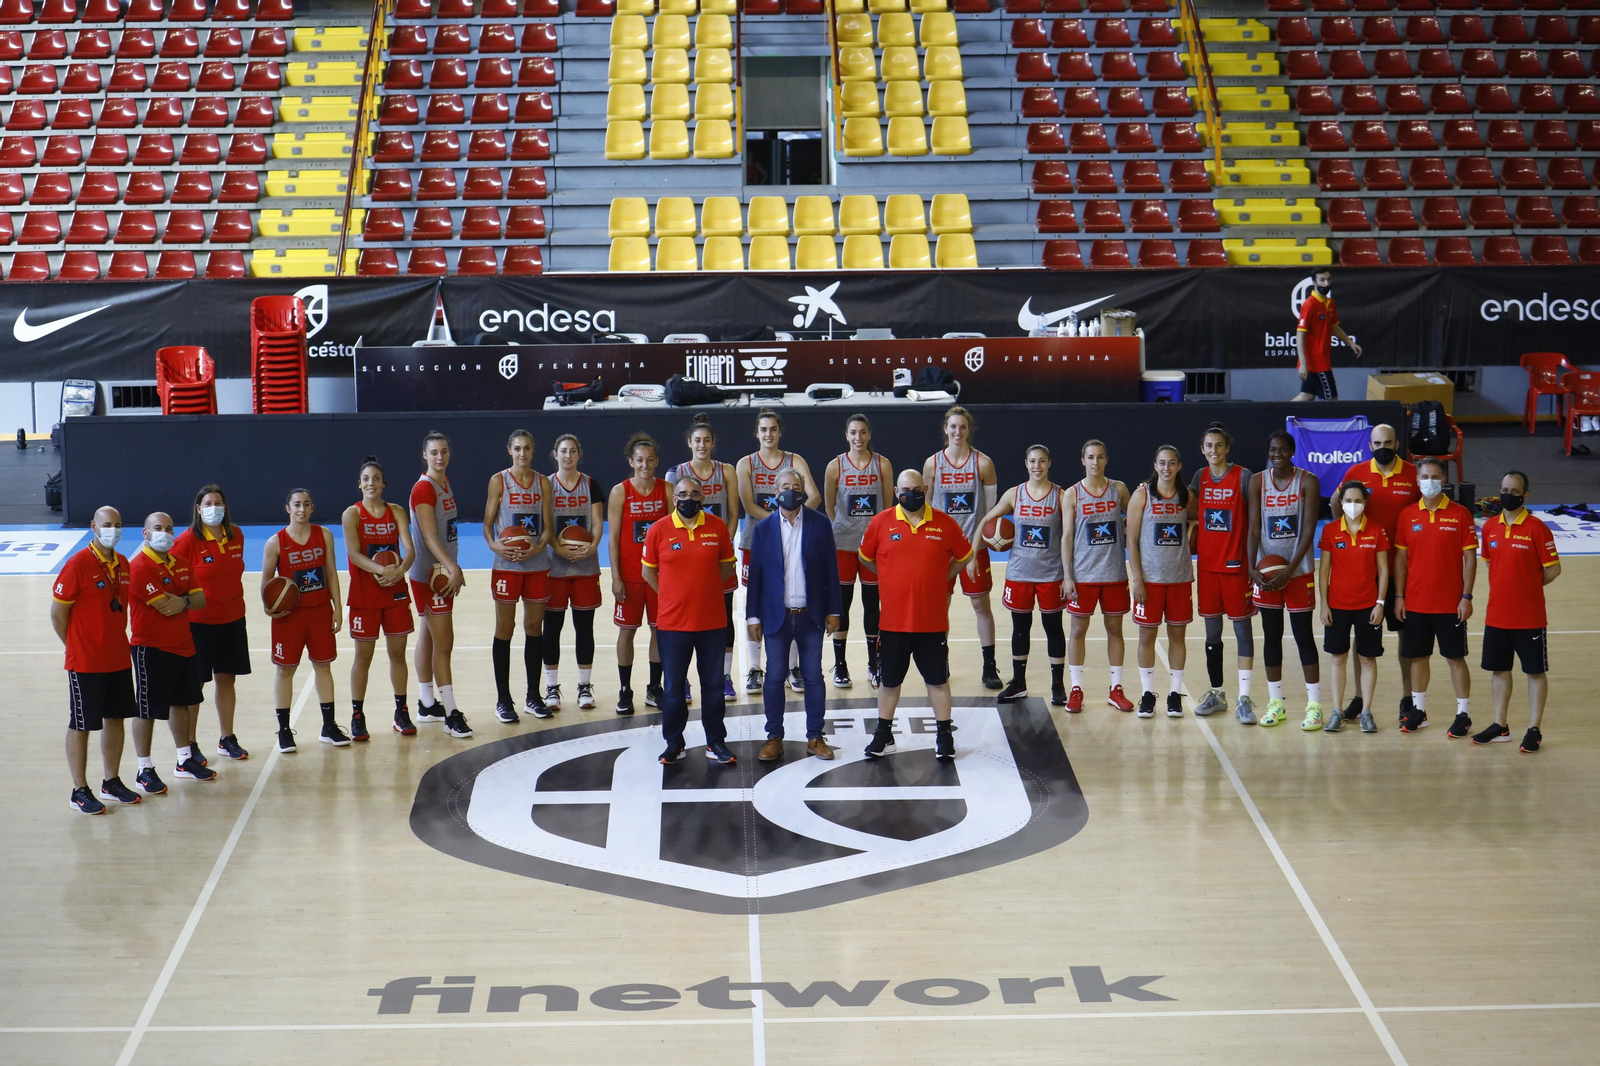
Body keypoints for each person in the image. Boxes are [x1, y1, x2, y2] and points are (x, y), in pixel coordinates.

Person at [859, 470, 973, 762]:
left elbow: (964, 556)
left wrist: (939, 579)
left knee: (937, 680)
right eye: (906, 489)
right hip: (894, 622)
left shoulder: (944, 523)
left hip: (932, 621)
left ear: (926, 490)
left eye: (918, 489)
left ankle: (944, 735)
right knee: (889, 682)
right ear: (897, 492)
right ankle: (884, 734)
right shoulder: (880, 522)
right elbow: (865, 558)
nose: (912, 494)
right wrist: (889, 577)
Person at [640, 474, 738, 765]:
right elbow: (648, 573)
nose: (689, 499)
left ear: (703, 498)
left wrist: (704, 589)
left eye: (695, 494)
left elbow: (725, 568)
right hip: (672, 625)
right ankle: (674, 743)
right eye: (683, 493)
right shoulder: (658, 530)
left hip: (712, 623)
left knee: (713, 686)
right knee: (673, 688)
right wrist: (672, 595)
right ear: (674, 498)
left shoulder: (717, 527)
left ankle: (715, 742)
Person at [748, 469, 842, 762]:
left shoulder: (820, 524)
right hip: (776, 615)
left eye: (796, 486)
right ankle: (774, 737)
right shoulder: (762, 529)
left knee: (813, 676)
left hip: (811, 614)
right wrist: (753, 617)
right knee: (774, 677)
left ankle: (815, 737)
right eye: (785, 486)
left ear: (803, 492)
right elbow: (757, 577)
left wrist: (834, 610)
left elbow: (831, 571)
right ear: (775, 494)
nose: (791, 490)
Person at [52, 506, 138, 813]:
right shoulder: (78, 564)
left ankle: (111, 781)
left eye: (117, 524)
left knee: (115, 719)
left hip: (117, 657)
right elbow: (58, 613)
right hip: (86, 661)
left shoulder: (124, 564)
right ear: (93, 526)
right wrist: (75, 644)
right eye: (106, 524)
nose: (112, 529)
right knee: (82, 724)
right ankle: (79, 789)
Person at [1473, 471, 1560, 752]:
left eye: (1514, 490)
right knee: (1499, 670)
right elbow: (1490, 563)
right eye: (1504, 489)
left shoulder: (1537, 528)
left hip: (1529, 617)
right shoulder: (1490, 528)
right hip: (1497, 615)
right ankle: (1500, 725)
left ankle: (1534, 729)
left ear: (1526, 495)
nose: (1508, 494)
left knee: (1534, 672)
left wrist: (1529, 585)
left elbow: (1554, 568)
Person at [736, 409, 820, 694]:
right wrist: (778, 521)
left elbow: (815, 495)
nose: (768, 434)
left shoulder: (795, 460)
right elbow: (748, 506)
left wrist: (795, 519)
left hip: (791, 539)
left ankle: (792, 668)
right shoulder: (745, 463)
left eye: (773, 429)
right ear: (756, 433)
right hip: (757, 541)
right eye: (763, 430)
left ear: (779, 432)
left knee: (792, 598)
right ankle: (755, 667)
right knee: (757, 601)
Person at [1341, 423, 1420, 725]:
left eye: (1388, 441)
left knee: (1406, 637)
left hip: (1403, 571)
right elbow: (1339, 504)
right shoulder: (1356, 473)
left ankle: (1408, 698)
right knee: (1361, 642)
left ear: (1397, 443)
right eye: (1377, 443)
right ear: (1369, 445)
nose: (1382, 446)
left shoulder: (1413, 475)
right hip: (1365, 572)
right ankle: (1360, 699)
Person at [129, 511, 215, 787]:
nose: (164, 533)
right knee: (147, 710)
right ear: (146, 533)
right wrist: (184, 598)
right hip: (151, 648)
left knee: (182, 703)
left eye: (168, 528)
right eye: (158, 528)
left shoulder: (181, 562)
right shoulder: (140, 567)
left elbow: (200, 599)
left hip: (183, 645)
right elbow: (164, 606)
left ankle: (184, 759)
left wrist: (184, 601)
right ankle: (144, 768)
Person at [1392, 457, 1476, 737]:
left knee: (1455, 659)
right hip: (1415, 603)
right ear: (1417, 481)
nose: (1430, 481)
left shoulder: (1461, 514)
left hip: (1450, 604)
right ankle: (1419, 710)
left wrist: (1466, 596)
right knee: (1418, 658)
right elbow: (1401, 560)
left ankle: (1463, 713)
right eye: (1425, 476)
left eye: (1435, 477)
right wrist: (1399, 596)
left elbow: (1470, 558)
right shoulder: (1407, 515)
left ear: (1443, 480)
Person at [980, 445, 1069, 706]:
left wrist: (1068, 573)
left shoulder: (1061, 496)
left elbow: (1068, 536)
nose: (1037, 466)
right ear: (1026, 463)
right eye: (1032, 461)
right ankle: (1019, 682)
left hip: (1051, 574)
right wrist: (973, 552)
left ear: (1049, 463)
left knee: (1053, 627)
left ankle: (1057, 684)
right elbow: (987, 521)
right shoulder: (1014, 494)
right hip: (1019, 573)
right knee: (1021, 628)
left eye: (1042, 461)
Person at [923, 405, 1002, 691]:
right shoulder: (932, 464)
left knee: (981, 606)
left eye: (963, 427)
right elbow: (927, 507)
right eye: (953, 427)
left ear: (969, 430)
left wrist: (975, 545)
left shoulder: (983, 463)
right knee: (939, 608)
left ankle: (989, 665)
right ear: (945, 429)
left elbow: (989, 509)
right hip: (941, 550)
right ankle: (940, 661)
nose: (958, 432)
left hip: (973, 547)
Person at [1247, 432, 1323, 729]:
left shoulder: (1308, 481)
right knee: (1271, 636)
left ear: (1292, 451)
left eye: (1282, 449)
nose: (1277, 453)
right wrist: (1252, 566)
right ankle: (1276, 703)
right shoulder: (1257, 481)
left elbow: (1308, 531)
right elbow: (1254, 527)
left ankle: (1314, 705)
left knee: (1304, 637)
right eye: (1272, 449)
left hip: (1297, 572)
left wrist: (1290, 569)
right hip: (1266, 574)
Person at [664, 413, 741, 702]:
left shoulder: (727, 471)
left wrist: (723, 544)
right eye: (697, 440)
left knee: (724, 614)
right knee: (685, 616)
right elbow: (670, 516)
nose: (702, 445)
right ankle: (682, 679)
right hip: (686, 555)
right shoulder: (676, 473)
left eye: (707, 440)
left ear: (713, 443)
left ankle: (724, 676)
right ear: (689, 442)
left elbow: (734, 514)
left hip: (717, 553)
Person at [262, 489, 344, 751]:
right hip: (290, 617)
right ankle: (284, 730)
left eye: (306, 504)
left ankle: (328, 726)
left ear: (312, 508)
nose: (301, 509)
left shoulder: (325, 535)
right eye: (296, 504)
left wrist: (338, 607)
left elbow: (330, 571)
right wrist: (270, 608)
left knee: (323, 667)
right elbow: (266, 584)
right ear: (287, 508)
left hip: (319, 611)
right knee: (285, 670)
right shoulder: (275, 542)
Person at [173, 484, 250, 761]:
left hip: (232, 619)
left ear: (225, 507)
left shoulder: (236, 535)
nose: (213, 508)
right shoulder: (186, 542)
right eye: (208, 503)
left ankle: (226, 737)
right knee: (196, 686)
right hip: (199, 624)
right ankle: (190, 743)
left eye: (218, 502)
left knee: (227, 679)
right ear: (198, 509)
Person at [341, 456, 416, 739]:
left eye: (376, 478)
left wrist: (400, 571)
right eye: (366, 479)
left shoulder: (395, 511)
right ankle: (357, 714)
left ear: (383, 483)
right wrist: (382, 570)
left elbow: (409, 549)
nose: (371, 483)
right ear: (359, 484)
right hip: (365, 595)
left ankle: (401, 711)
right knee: (364, 657)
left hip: (395, 591)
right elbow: (354, 554)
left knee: (398, 654)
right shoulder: (352, 514)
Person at [484, 429, 555, 724]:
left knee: (533, 628)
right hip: (507, 566)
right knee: (505, 628)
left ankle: (533, 696)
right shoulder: (499, 481)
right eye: (517, 449)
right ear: (509, 450)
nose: (522, 453)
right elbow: (488, 524)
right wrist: (494, 545)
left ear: (533, 449)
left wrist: (537, 547)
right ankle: (503, 699)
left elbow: (549, 526)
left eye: (527, 448)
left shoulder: (543, 483)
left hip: (536, 564)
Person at [1191, 424, 1258, 723]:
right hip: (1207, 568)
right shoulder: (1199, 477)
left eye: (1219, 445)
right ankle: (1218, 694)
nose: (1214, 451)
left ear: (1227, 447)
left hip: (1235, 568)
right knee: (1212, 634)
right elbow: (1184, 507)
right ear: (1202, 449)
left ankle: (1244, 698)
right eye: (1208, 446)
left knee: (1243, 632)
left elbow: (1254, 522)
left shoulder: (1243, 477)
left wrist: (1253, 562)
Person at [1061, 439, 1134, 712]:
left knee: (1115, 630)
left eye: (1100, 457)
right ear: (1083, 460)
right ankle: (1076, 689)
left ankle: (1116, 689)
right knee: (1078, 631)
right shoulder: (1072, 494)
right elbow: (1067, 537)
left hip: (1114, 573)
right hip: (1083, 575)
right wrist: (1067, 576)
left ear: (1106, 460)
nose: (1095, 462)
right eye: (1090, 457)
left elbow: (1136, 514)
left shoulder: (1119, 489)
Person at [823, 413, 893, 690]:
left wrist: (875, 535)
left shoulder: (882, 465)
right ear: (846, 435)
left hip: (872, 548)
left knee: (871, 605)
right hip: (842, 545)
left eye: (863, 432)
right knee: (842, 606)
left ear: (869, 434)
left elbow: (887, 508)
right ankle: (840, 665)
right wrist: (843, 527)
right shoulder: (835, 466)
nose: (858, 437)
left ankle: (873, 663)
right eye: (853, 432)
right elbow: (830, 508)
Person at [410, 431, 472, 738]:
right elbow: (429, 536)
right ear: (424, 455)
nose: (439, 457)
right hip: (431, 576)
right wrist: (452, 567)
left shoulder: (443, 483)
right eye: (433, 452)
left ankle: (426, 703)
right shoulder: (424, 490)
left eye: (444, 451)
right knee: (444, 643)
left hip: (435, 573)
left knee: (429, 634)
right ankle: (451, 712)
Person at [1316, 480, 1389, 734]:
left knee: (1367, 659)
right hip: (1337, 606)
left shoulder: (1377, 530)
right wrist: (1324, 604)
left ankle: (1366, 712)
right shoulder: (1330, 531)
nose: (1353, 505)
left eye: (1358, 501)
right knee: (1338, 659)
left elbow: (1383, 570)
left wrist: (1380, 603)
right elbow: (1324, 571)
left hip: (1368, 606)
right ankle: (1337, 711)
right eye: (1348, 500)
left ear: (1365, 503)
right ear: (1341, 502)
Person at [1127, 445, 1194, 719]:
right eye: (1162, 463)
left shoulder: (1186, 495)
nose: (1166, 468)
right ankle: (1147, 693)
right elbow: (1131, 540)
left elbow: (1197, 522)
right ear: (1155, 465)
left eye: (1172, 463)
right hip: (1150, 581)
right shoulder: (1141, 495)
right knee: (1147, 637)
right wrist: (1138, 579)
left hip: (1180, 578)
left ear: (1179, 466)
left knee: (1178, 636)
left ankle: (1175, 694)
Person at [542, 434, 604, 712]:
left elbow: (598, 522)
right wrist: (558, 547)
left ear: (579, 454)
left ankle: (584, 686)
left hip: (585, 567)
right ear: (555, 454)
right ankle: (552, 688)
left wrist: (591, 547)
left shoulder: (591, 484)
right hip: (554, 566)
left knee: (584, 628)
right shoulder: (546, 485)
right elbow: (545, 524)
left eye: (573, 451)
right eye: (563, 451)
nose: (568, 455)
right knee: (552, 629)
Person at [608, 432, 667, 716]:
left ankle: (655, 688)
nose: (645, 465)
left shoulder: (667, 490)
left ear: (656, 461)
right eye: (639, 460)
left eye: (650, 459)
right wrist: (615, 577)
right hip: (630, 577)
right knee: (627, 633)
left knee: (659, 632)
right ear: (631, 462)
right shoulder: (620, 491)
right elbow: (614, 537)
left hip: (659, 577)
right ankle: (625, 690)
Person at [1292, 266, 1362, 402]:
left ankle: (1281, 417)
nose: (1326, 283)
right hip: (1316, 363)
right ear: (1314, 283)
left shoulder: (1330, 303)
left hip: (1322, 359)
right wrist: (1303, 364)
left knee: (1306, 396)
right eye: (1322, 280)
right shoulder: (1309, 305)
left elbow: (1334, 327)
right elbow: (1300, 336)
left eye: (1329, 279)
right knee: (1331, 400)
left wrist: (1350, 343)